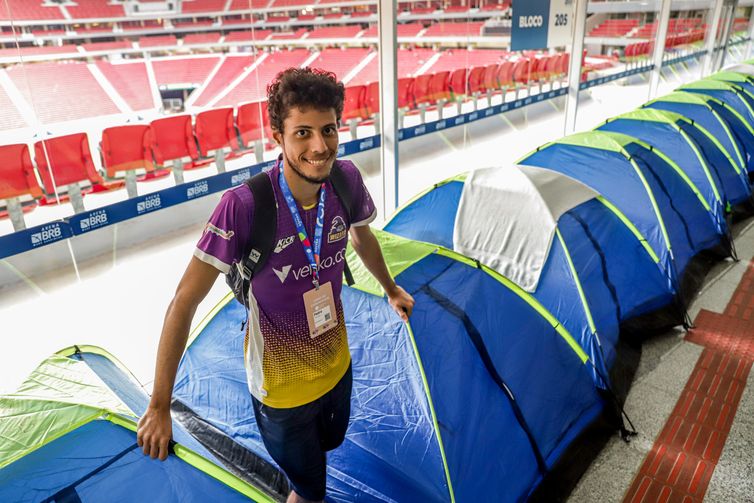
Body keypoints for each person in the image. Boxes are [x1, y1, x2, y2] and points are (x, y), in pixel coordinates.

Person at [136, 67, 415, 503]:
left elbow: (361, 236)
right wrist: (159, 404)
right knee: (309, 491)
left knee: (329, 446)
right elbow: (183, 302)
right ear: (277, 136)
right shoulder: (243, 206)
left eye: (328, 130)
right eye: (302, 133)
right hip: (280, 393)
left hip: (338, 365)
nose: (319, 146)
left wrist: (390, 287)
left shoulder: (346, 180)